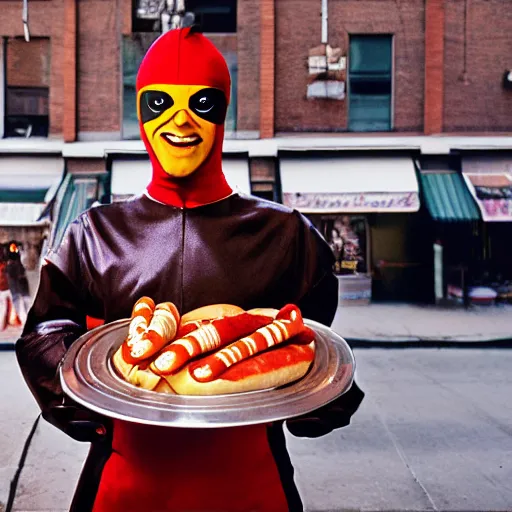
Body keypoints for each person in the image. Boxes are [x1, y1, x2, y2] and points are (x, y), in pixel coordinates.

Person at [16, 26, 364, 512]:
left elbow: (313, 348)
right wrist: (78, 396)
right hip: (126, 483)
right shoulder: (93, 233)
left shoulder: (289, 236)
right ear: (139, 112)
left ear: (223, 111)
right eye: (160, 104)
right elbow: (45, 333)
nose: (180, 121)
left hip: (249, 483)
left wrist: (327, 393)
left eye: (200, 103)